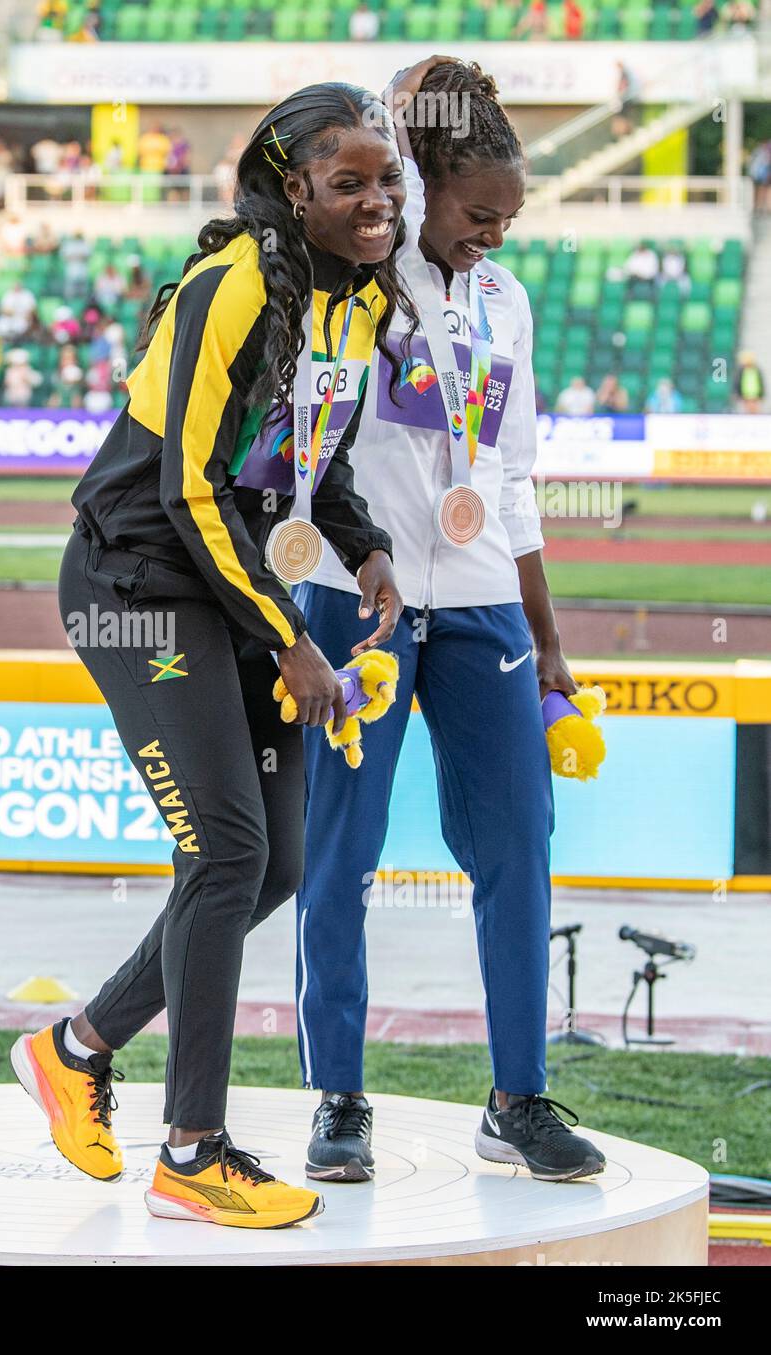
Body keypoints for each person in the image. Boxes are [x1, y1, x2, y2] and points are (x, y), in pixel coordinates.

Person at [12, 82, 407, 1229]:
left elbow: (307, 457)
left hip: (229, 586)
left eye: (386, 179)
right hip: (137, 585)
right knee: (228, 846)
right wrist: (290, 639)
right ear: (294, 189)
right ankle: (192, 1147)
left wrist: (366, 550)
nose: (376, 198)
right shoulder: (228, 285)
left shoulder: (354, 299)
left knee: (268, 864)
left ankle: (72, 1047)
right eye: (348, 181)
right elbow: (187, 484)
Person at [296, 58, 605, 1187]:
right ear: (423, 192)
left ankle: (516, 1097)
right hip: (352, 593)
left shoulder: (507, 303)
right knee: (342, 850)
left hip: (482, 600)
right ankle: (337, 1097)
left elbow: (513, 475)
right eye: (479, 217)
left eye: (511, 221)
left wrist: (550, 638)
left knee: (518, 844)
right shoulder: (350, 281)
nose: (497, 239)